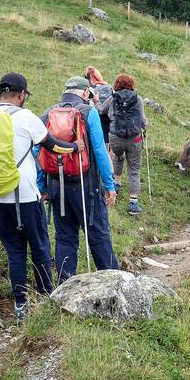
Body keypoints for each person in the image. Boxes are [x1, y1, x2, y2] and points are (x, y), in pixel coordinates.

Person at [0, 72, 81, 322]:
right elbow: (53, 146)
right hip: (25, 195)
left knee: (14, 252)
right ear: (22, 94)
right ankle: (46, 297)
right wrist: (76, 147)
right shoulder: (25, 117)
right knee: (39, 247)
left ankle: (20, 306)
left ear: (1, 92)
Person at [41, 76, 119, 281]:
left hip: (56, 185)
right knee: (98, 235)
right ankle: (114, 282)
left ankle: (65, 284)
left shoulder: (48, 113)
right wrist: (110, 184)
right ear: (86, 93)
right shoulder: (88, 112)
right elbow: (101, 152)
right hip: (87, 186)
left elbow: (37, 152)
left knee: (64, 237)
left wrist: (43, 186)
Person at [98, 73, 147, 216]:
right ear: (132, 85)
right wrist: (145, 124)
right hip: (135, 140)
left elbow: (101, 110)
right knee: (134, 171)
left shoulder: (112, 98)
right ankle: (133, 203)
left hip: (116, 139)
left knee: (118, 158)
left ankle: (116, 184)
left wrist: (95, 100)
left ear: (117, 85)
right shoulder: (138, 99)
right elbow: (142, 121)